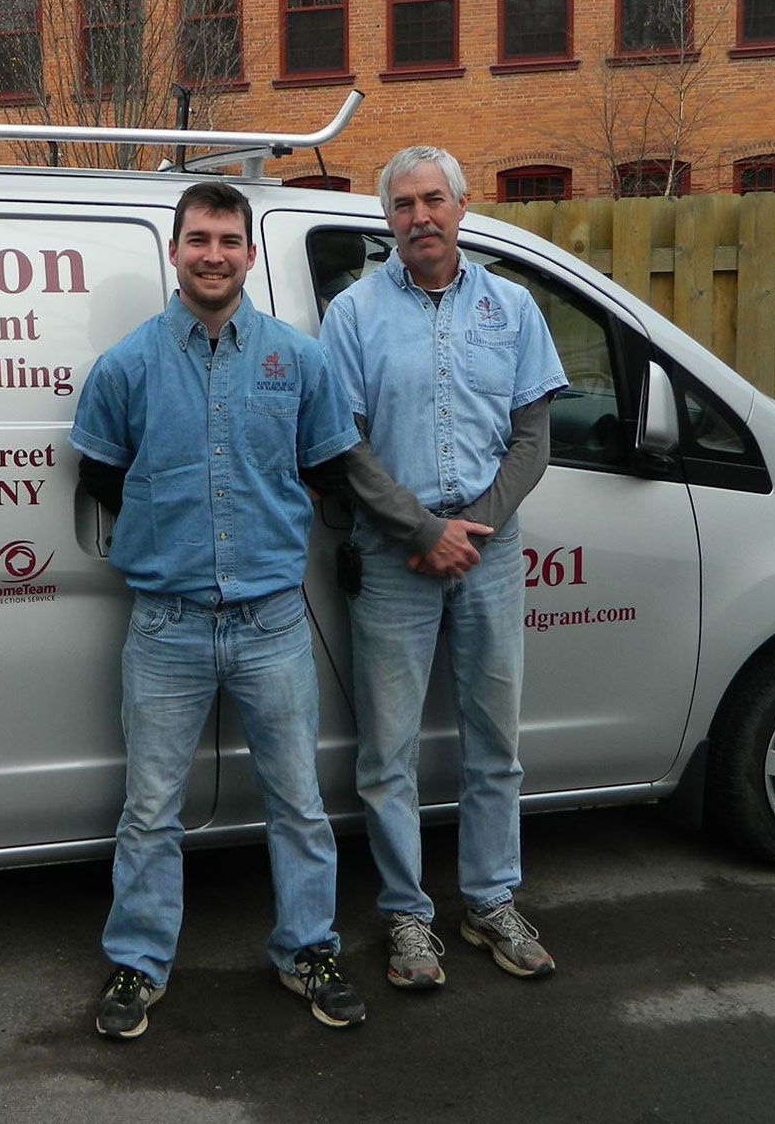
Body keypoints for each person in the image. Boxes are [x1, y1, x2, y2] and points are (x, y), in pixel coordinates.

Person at [72, 181, 369, 1039]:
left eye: (229, 240)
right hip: (166, 625)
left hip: (272, 620)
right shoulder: (126, 366)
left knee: (299, 803)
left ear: (247, 252)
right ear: (174, 250)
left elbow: (327, 470)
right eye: (198, 238)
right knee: (149, 809)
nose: (213, 253)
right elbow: (100, 477)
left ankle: (307, 948)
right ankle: (137, 964)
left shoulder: (295, 360)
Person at [320, 145, 568, 990]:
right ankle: (406, 916)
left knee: (495, 743)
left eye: (434, 201)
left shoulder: (513, 306)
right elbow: (340, 445)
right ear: (385, 219)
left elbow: (535, 437)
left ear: (464, 206)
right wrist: (423, 529)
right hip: (392, 556)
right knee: (387, 752)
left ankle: (491, 900)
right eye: (402, 205)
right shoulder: (352, 315)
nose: (419, 217)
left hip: (490, 557)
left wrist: (476, 529)